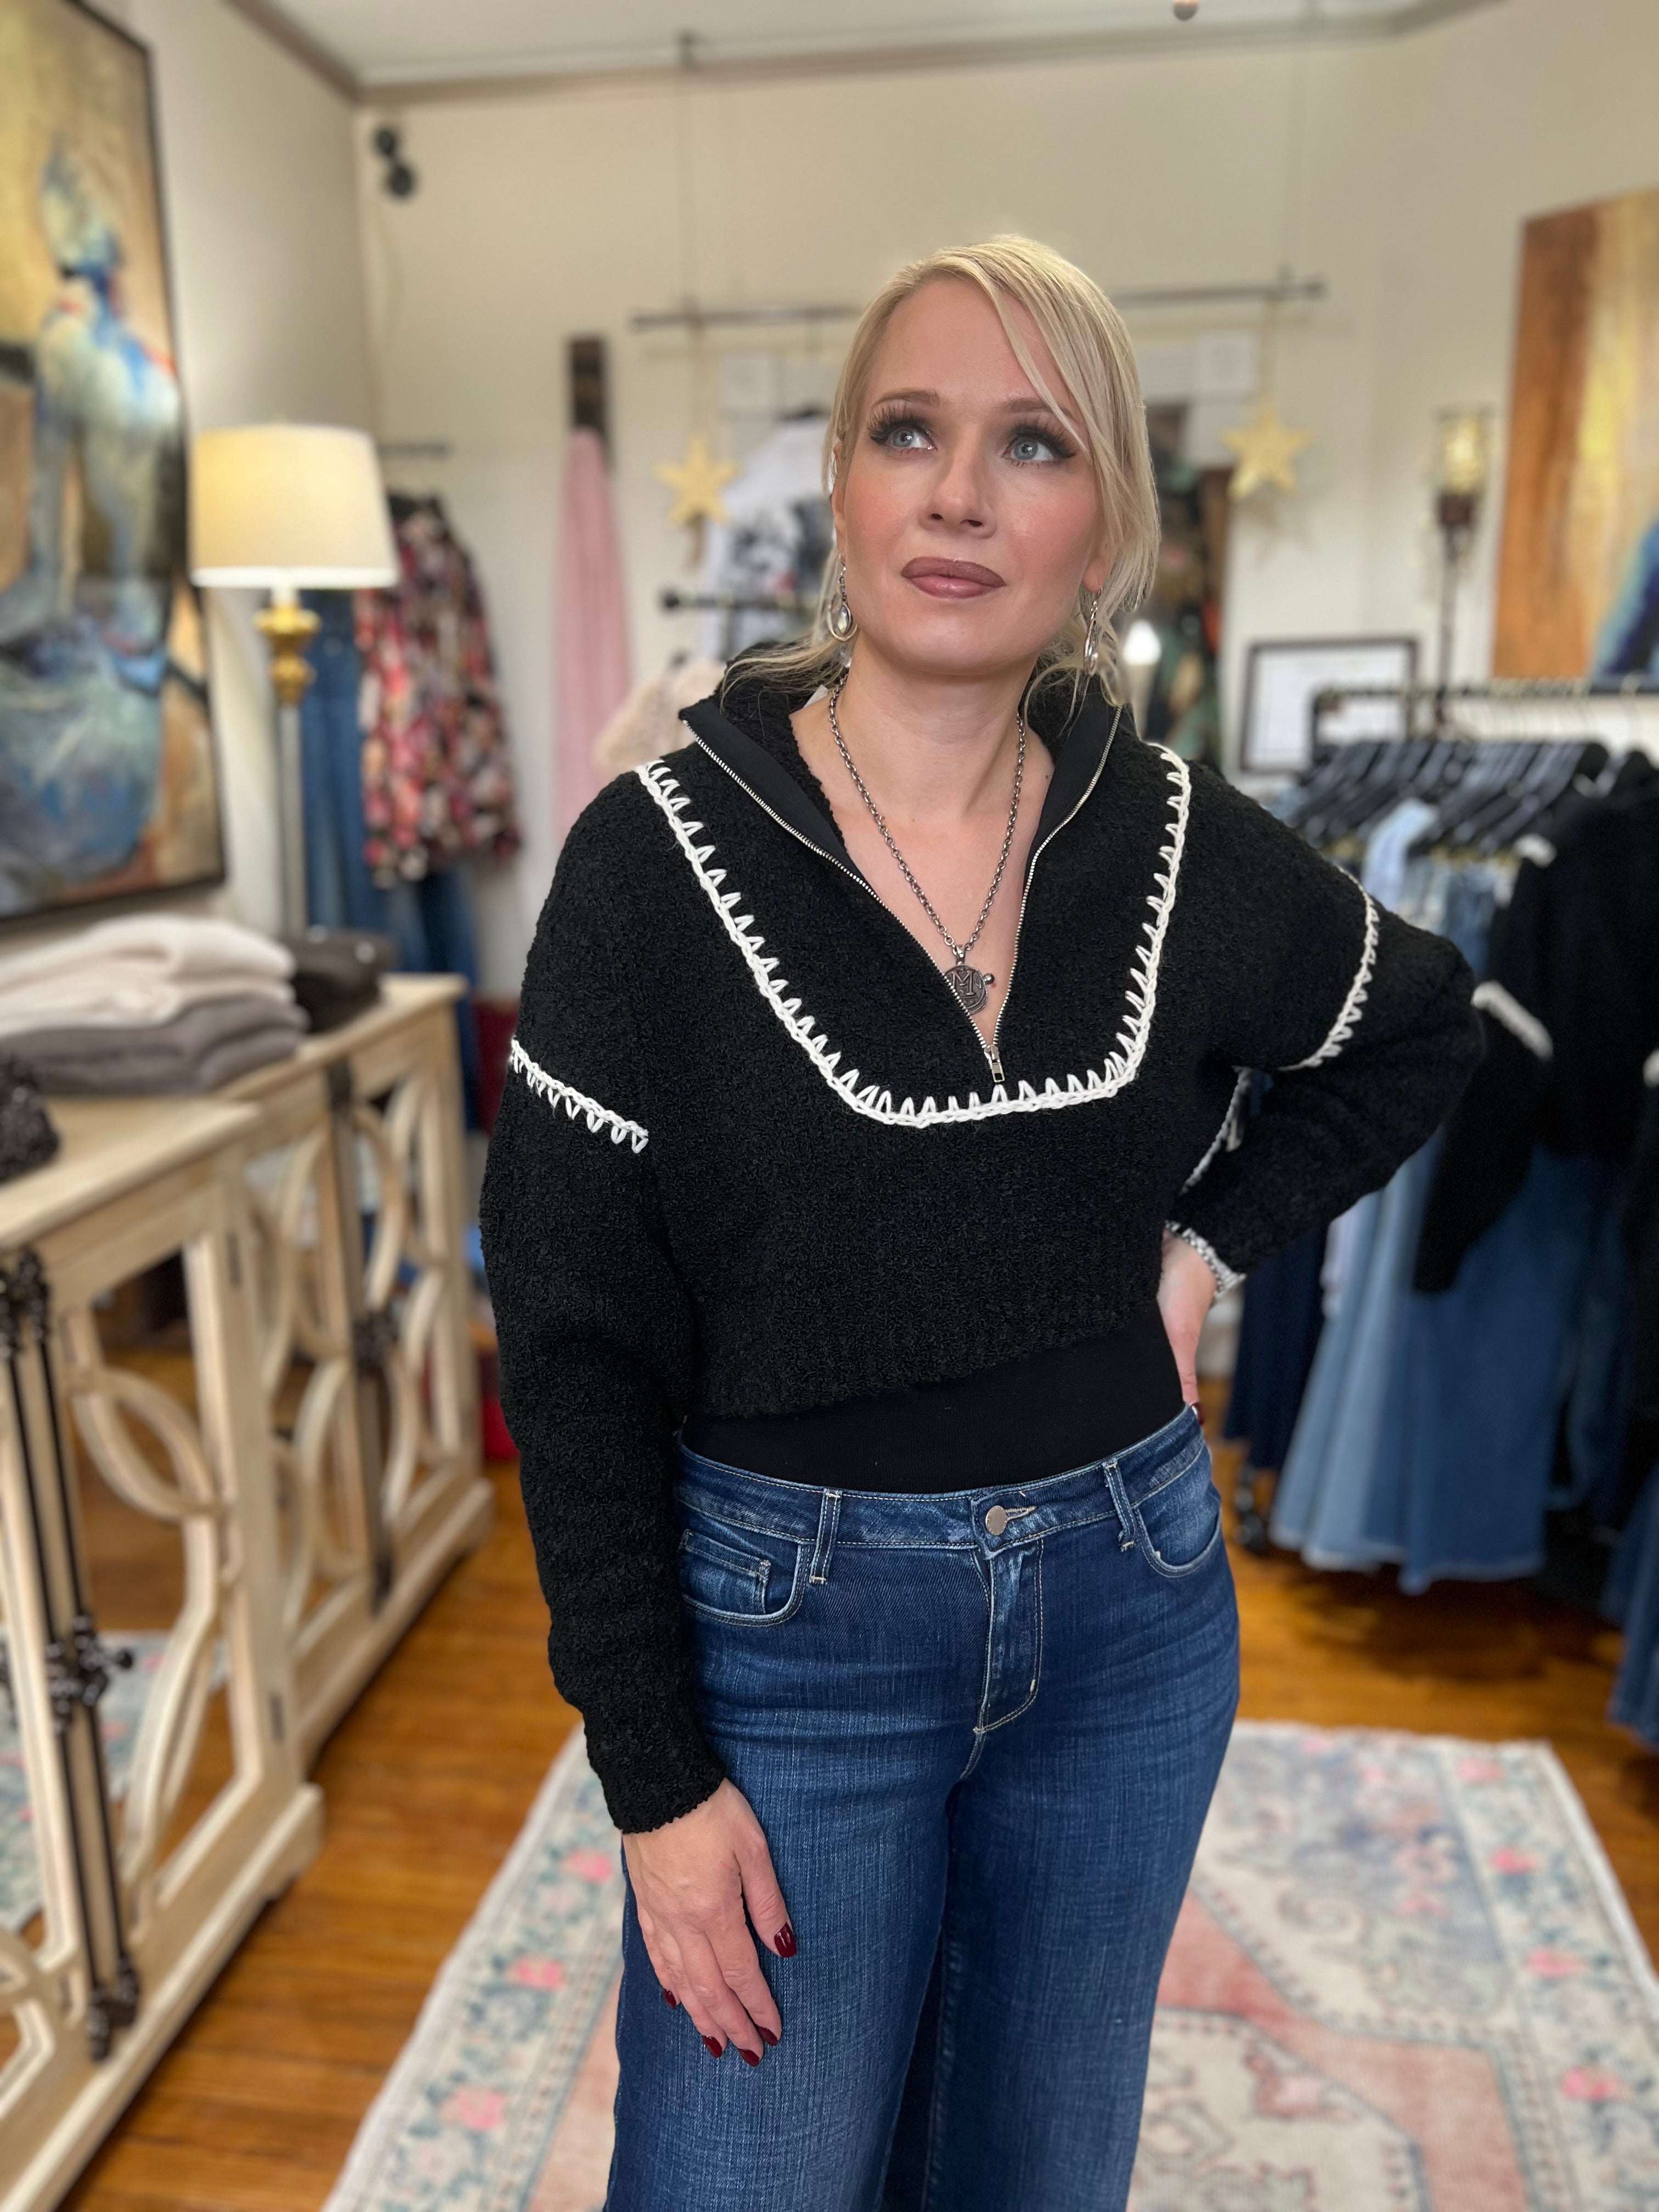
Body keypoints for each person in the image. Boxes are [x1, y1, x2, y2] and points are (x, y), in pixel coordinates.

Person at [480, 236, 1481, 2211]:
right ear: (840, 484)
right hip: (787, 1651)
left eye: (1032, 444)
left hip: (1132, 1620)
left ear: (1104, 523)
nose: (957, 494)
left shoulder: (1176, 837)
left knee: (1035, 2173)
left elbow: (1420, 1026)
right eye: (906, 431)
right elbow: (573, 1341)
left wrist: (1205, 1250)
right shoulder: (652, 863)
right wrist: (655, 1782)